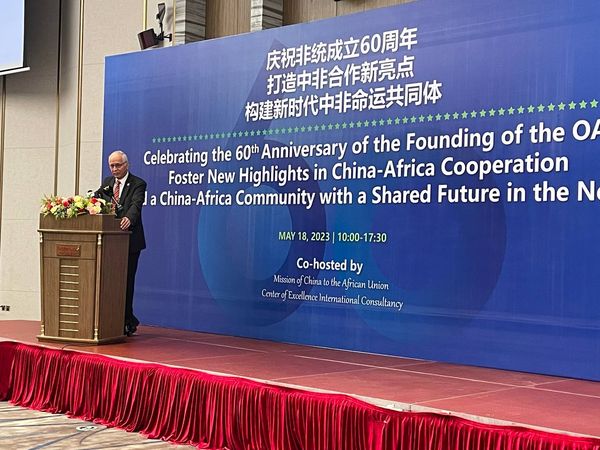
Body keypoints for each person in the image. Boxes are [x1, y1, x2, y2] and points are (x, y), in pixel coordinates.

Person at [97, 150, 146, 336]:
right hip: (110, 241)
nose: (114, 169)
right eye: (111, 165)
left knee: (126, 282)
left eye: (118, 165)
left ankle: (126, 321)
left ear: (126, 165)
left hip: (130, 240)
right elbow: (97, 199)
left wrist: (129, 218)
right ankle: (116, 320)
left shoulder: (138, 183)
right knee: (110, 282)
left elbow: (136, 205)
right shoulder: (107, 182)